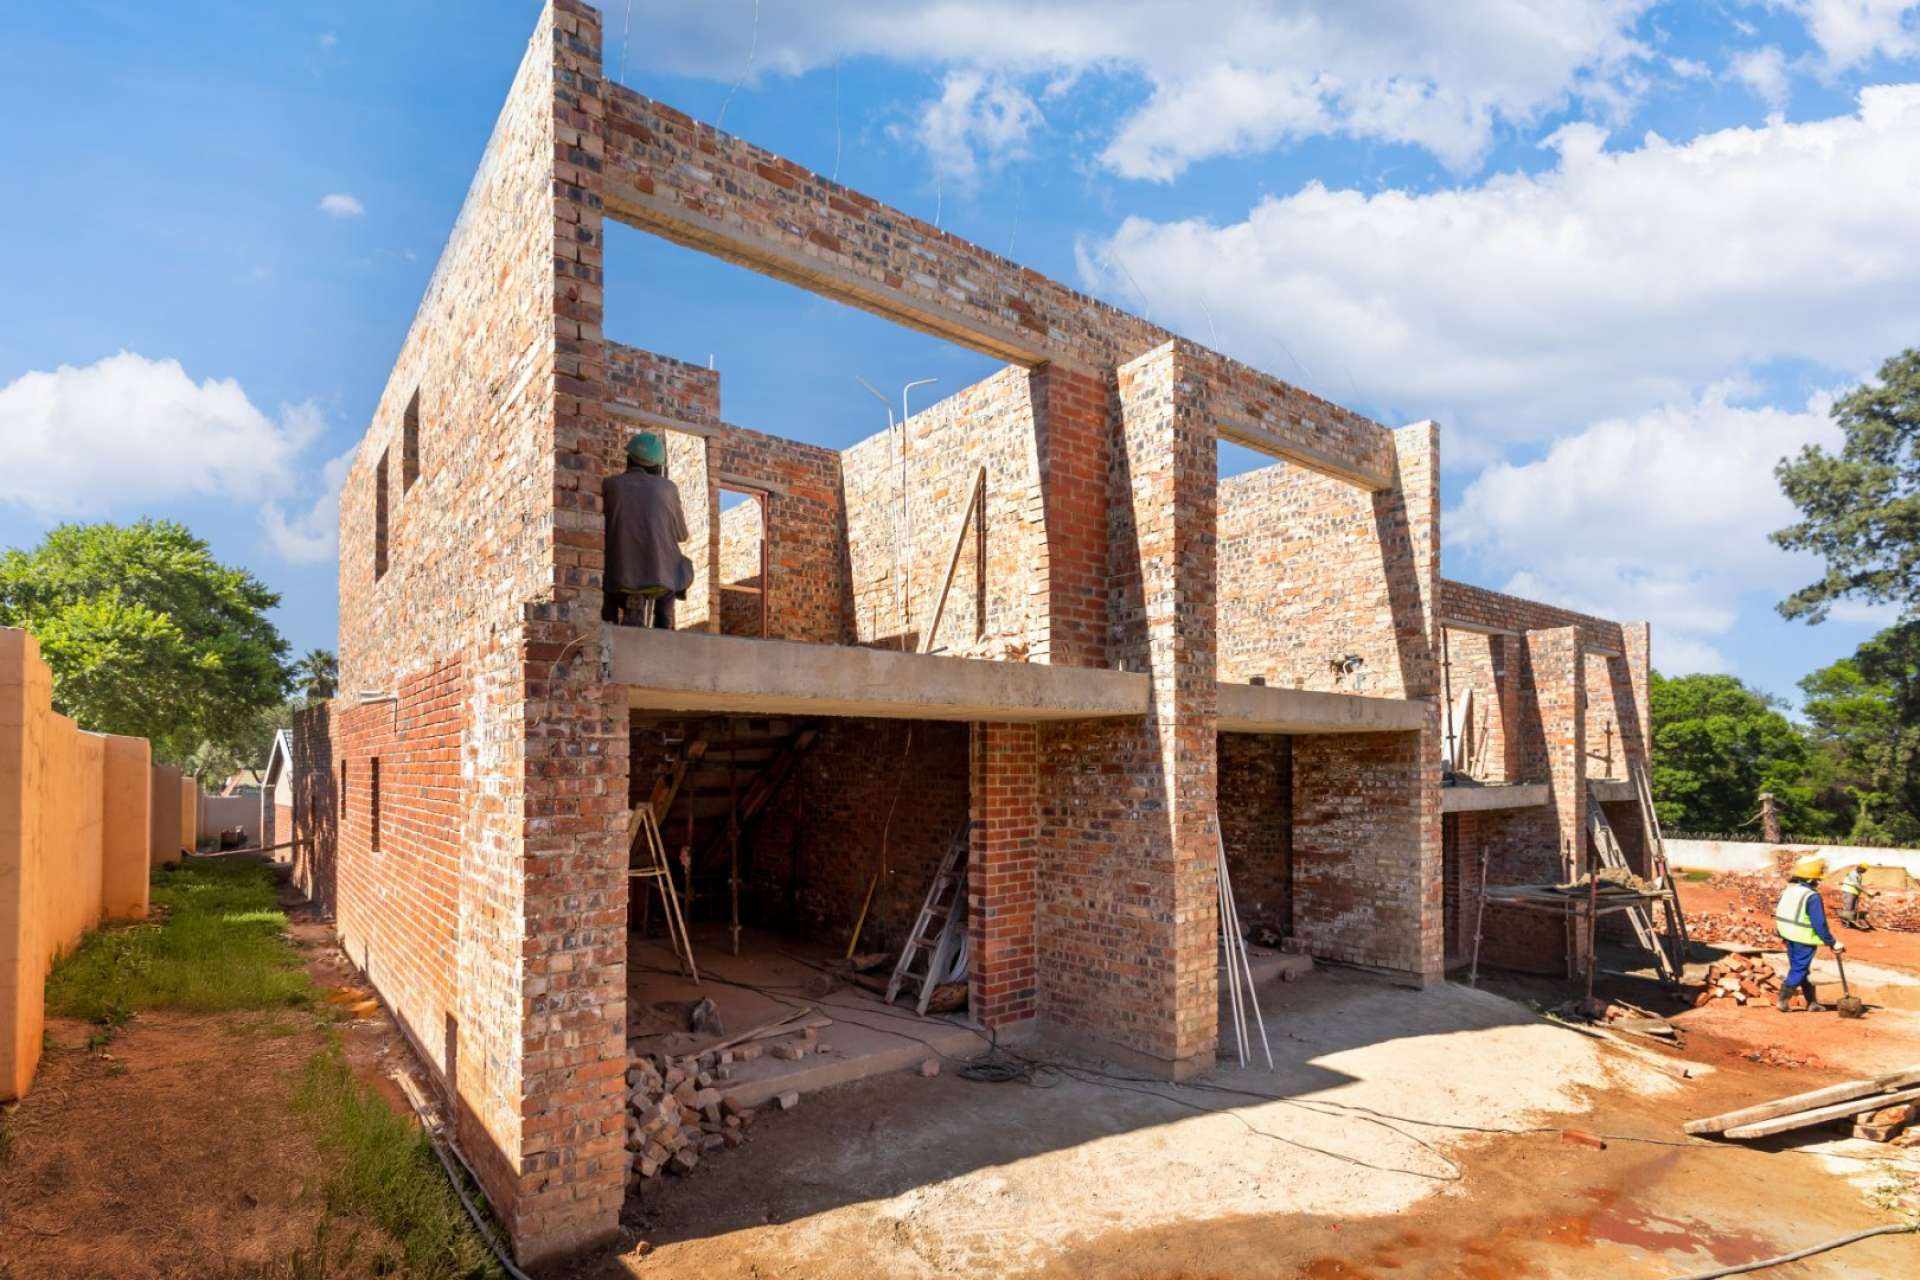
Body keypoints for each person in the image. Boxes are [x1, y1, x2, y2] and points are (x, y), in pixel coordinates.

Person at [603, 432, 694, 628]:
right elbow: (682, 535)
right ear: (658, 467)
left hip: (616, 576)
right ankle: (663, 620)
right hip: (660, 579)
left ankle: (608, 620)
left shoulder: (609, 485)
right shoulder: (669, 489)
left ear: (629, 460)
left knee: (605, 571)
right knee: (682, 566)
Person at [1774, 855, 1845, 1012]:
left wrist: (1780, 933)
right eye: (1817, 880)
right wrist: (1832, 942)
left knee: (1801, 968)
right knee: (1799, 969)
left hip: (1788, 935)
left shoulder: (1789, 891)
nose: (1818, 883)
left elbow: (1779, 911)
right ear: (1811, 879)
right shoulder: (1812, 896)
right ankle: (1782, 1001)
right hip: (1803, 938)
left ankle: (1812, 1003)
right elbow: (1819, 924)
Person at [1839, 863, 1872, 929]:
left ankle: (1849, 923)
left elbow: (1858, 885)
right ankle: (1844, 923)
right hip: (1849, 891)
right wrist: (1867, 893)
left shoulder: (1859, 875)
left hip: (1854, 892)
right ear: (1860, 868)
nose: (1865, 871)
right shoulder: (1853, 874)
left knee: (1853, 909)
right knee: (1848, 908)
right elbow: (1857, 885)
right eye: (1864, 870)